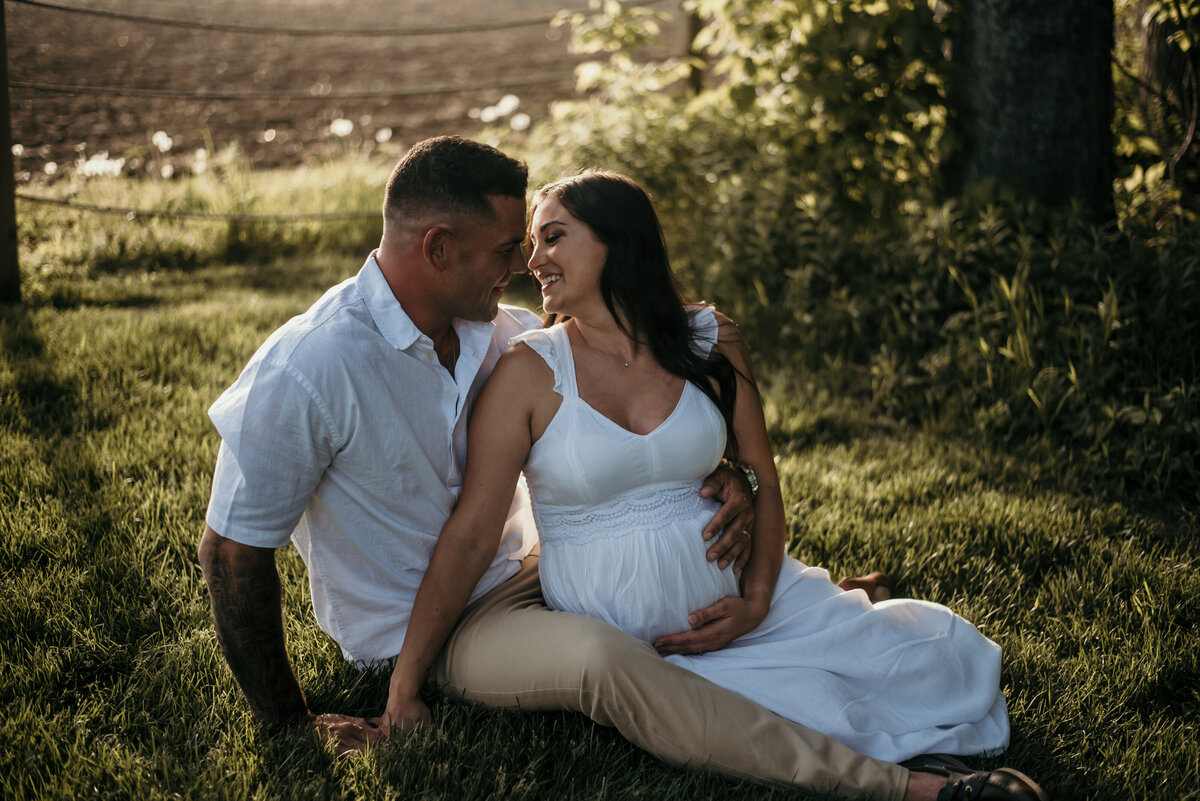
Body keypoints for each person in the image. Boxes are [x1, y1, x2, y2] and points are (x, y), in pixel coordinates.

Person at [197, 136, 917, 800]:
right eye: (509, 248)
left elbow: (625, 395)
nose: (522, 266)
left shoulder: (500, 333)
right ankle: (886, 783)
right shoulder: (308, 370)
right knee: (599, 660)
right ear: (439, 248)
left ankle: (803, 619)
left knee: (650, 577)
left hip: (535, 572)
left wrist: (727, 469)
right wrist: (290, 721)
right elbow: (230, 551)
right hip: (437, 630)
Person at [376, 169, 1048, 801]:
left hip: (737, 607)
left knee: (923, 663)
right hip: (638, 642)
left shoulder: (708, 339)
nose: (534, 260)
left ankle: (821, 616)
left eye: (554, 236)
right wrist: (402, 691)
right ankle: (911, 787)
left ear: (620, 241)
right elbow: (471, 531)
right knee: (783, 711)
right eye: (530, 244)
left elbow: (763, 473)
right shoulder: (528, 373)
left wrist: (755, 599)